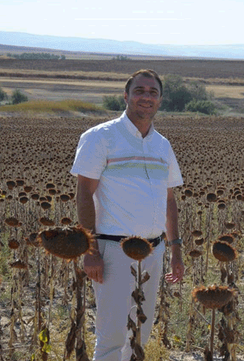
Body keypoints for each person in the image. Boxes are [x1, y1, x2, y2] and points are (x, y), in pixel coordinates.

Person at [71, 69, 184, 361]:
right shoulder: (101, 137)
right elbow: (84, 193)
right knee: (112, 335)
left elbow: (169, 199)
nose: (146, 97)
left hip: (154, 250)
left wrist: (176, 251)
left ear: (160, 100)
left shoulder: (162, 145)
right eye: (140, 90)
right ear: (126, 95)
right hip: (113, 250)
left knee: (141, 332)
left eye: (152, 92)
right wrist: (91, 249)